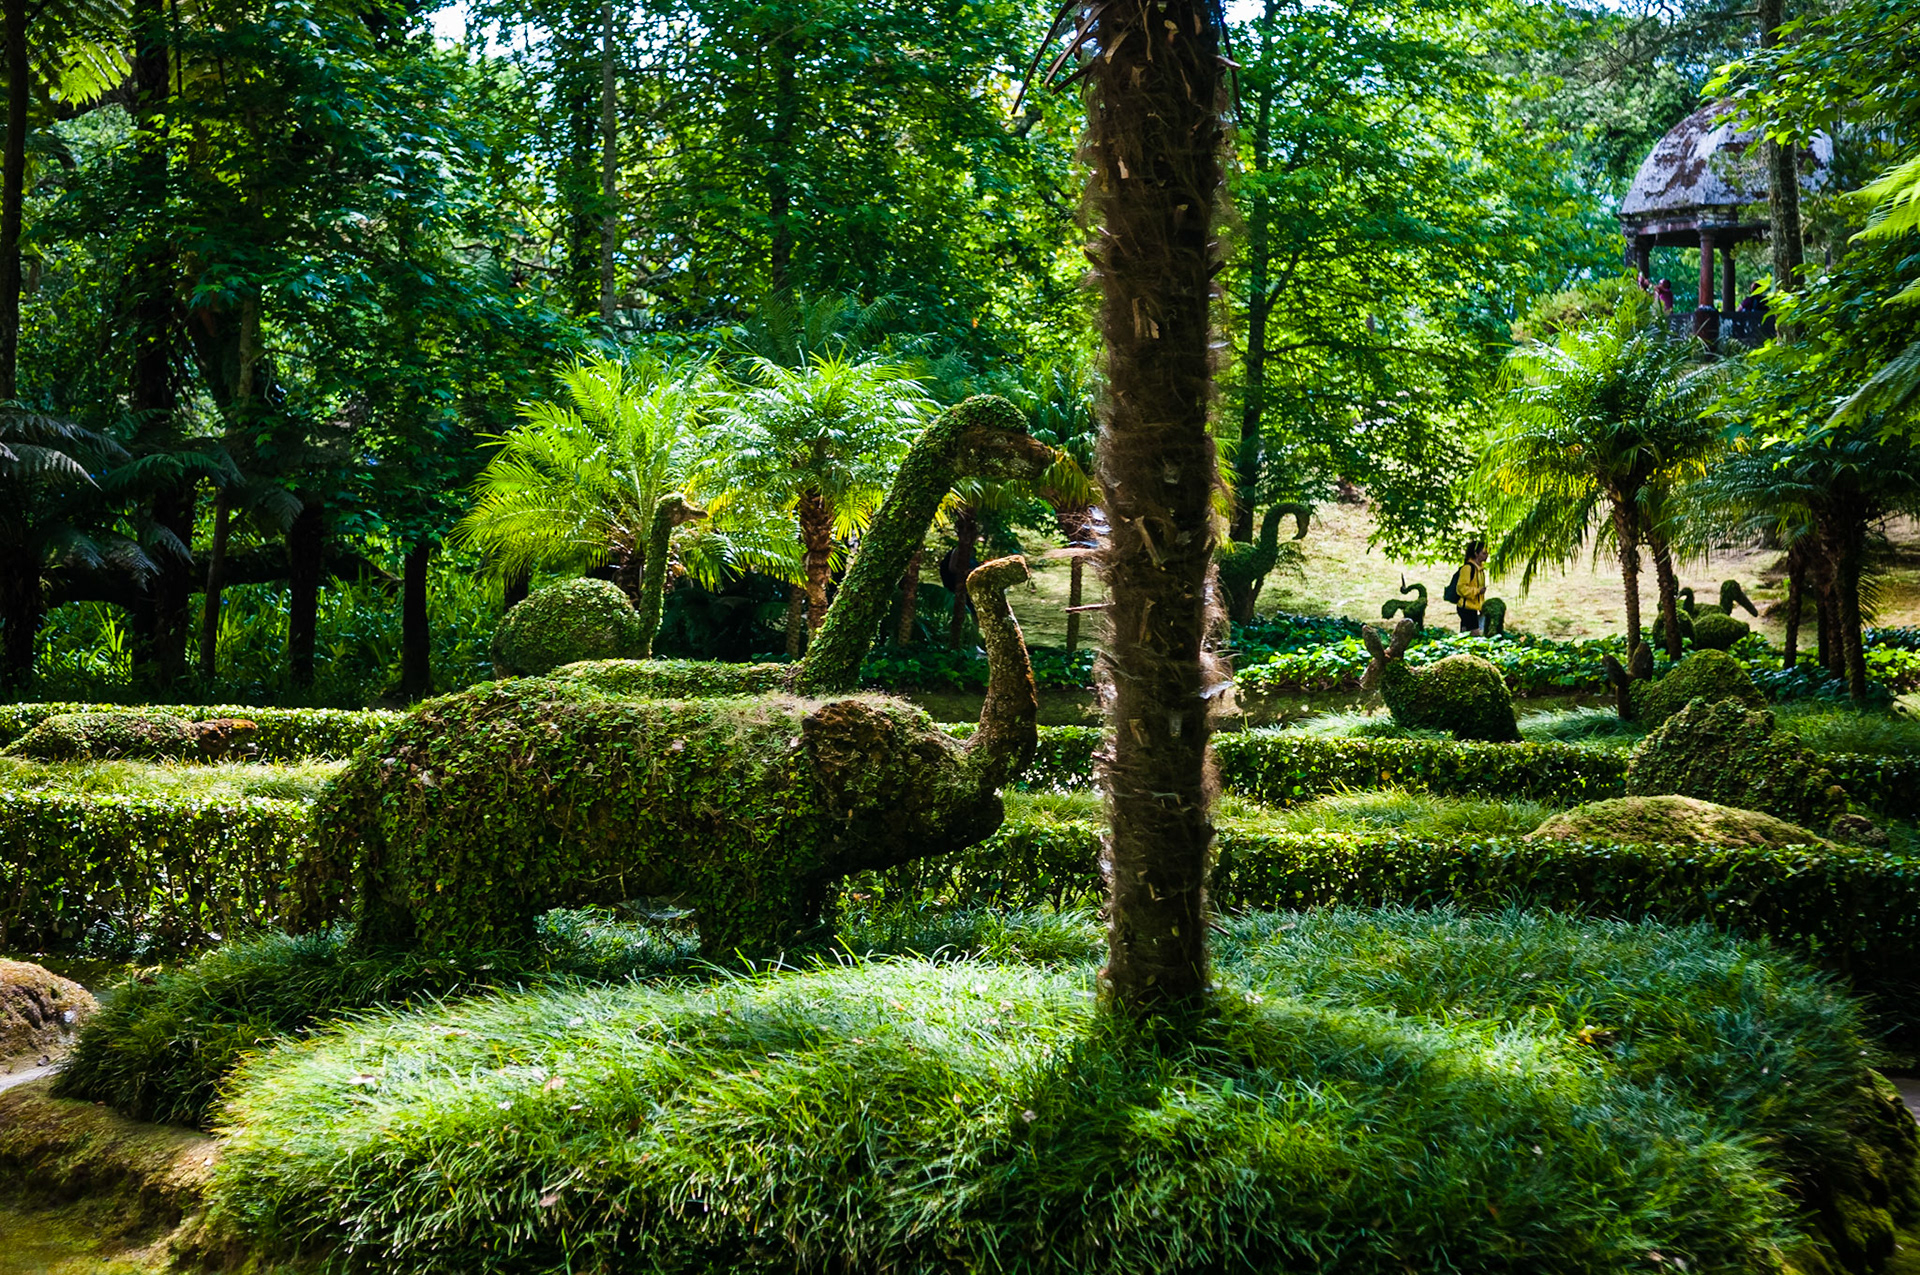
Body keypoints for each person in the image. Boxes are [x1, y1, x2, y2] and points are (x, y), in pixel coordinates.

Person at [1456, 540, 1489, 633]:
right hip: (1466, 608)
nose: (1486, 556)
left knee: (1466, 633)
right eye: (1483, 553)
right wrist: (1478, 591)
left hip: (1474, 608)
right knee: (1474, 633)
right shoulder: (1468, 568)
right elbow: (1461, 588)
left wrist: (1482, 607)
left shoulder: (1480, 570)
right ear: (1476, 554)